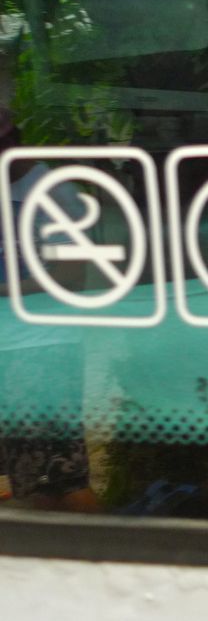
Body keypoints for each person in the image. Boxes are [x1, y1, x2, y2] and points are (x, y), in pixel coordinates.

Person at [0, 107, 99, 511]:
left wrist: (4, 291)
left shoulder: (52, 192)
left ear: (13, 143)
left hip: (44, 347)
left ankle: (107, 546)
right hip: (12, 347)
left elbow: (71, 275)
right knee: (30, 477)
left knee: (60, 478)